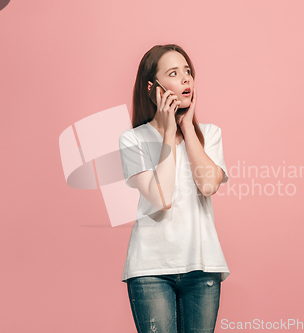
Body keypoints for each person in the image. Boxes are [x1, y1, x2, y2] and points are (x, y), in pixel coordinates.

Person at [118, 44, 230, 333]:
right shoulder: (133, 140)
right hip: (150, 270)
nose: (186, 79)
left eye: (188, 72)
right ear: (152, 87)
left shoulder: (211, 134)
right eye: (174, 73)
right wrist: (169, 132)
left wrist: (187, 127)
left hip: (202, 266)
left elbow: (207, 185)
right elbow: (162, 198)